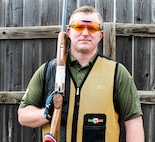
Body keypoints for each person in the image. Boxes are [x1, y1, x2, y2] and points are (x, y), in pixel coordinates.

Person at [18, 5, 145, 142]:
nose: (85, 33)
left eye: (92, 28)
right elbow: (23, 115)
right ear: (69, 32)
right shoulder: (48, 70)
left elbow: (133, 122)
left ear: (100, 35)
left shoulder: (117, 72)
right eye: (79, 27)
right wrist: (48, 113)